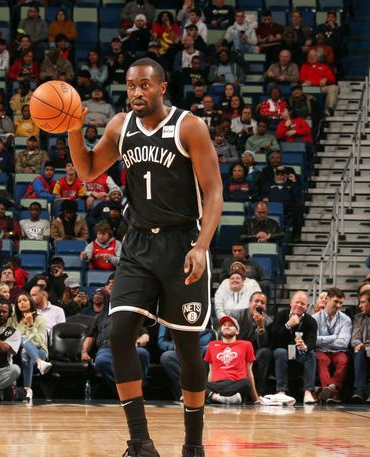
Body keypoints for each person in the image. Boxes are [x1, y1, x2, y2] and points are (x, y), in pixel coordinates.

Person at [68, 58, 223, 457]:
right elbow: (88, 170)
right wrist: (72, 129)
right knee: (119, 334)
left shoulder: (188, 126)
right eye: (131, 86)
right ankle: (140, 442)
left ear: (162, 87)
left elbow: (214, 192)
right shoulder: (120, 126)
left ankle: (193, 445)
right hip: (137, 244)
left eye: (145, 85)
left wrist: (202, 246)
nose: (137, 92)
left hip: (181, 244)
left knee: (186, 348)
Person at [271, 291, 317, 404]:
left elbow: (312, 340)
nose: (299, 305)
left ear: (306, 306)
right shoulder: (281, 315)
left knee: (311, 354)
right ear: (291, 303)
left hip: (300, 352)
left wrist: (305, 346)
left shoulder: (311, 321)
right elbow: (275, 336)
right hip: (282, 350)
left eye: (303, 303)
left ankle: (308, 391)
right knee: (281, 352)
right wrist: (287, 325)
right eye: (297, 302)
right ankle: (281, 391)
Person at [205, 315, 259, 405]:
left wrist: (256, 399)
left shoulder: (246, 345)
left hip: (236, 384)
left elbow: (249, 372)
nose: (226, 327)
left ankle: (215, 397)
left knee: (246, 383)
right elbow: (211, 371)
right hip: (217, 385)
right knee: (198, 383)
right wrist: (209, 387)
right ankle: (223, 398)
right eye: (224, 325)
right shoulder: (212, 345)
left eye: (230, 325)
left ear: (237, 331)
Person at [9, 292, 52, 404]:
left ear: (31, 302)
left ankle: (27, 389)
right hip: (16, 351)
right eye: (19, 301)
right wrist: (24, 325)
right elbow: (13, 338)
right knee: (22, 341)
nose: (22, 303)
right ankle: (40, 363)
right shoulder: (12, 320)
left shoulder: (40, 319)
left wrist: (31, 326)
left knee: (25, 352)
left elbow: (39, 342)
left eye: (25, 300)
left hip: (39, 351)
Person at [312, 288, 351, 404]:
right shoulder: (315, 318)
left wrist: (323, 340)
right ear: (327, 299)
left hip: (338, 351)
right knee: (321, 360)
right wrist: (334, 337)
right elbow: (314, 341)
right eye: (336, 301)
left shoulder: (346, 319)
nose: (338, 305)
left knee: (343, 360)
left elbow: (343, 343)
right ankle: (333, 392)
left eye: (341, 303)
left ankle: (329, 388)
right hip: (321, 351)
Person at [230, 291, 273, 396]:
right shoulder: (238, 315)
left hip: (255, 353)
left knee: (265, 353)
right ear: (250, 303)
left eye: (262, 302)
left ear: (265, 307)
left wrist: (260, 326)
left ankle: (260, 391)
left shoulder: (269, 321)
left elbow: (263, 345)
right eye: (256, 301)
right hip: (237, 349)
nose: (259, 304)